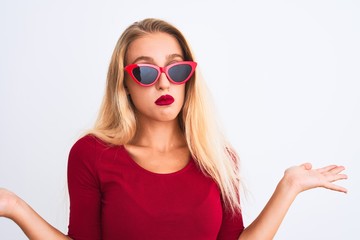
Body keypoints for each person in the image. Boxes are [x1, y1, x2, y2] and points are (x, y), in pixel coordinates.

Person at [0, 18, 348, 240]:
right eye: (146, 72)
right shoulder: (91, 155)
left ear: (188, 79)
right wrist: (14, 206)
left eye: (176, 70)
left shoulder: (217, 157)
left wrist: (288, 188)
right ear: (124, 84)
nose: (164, 84)